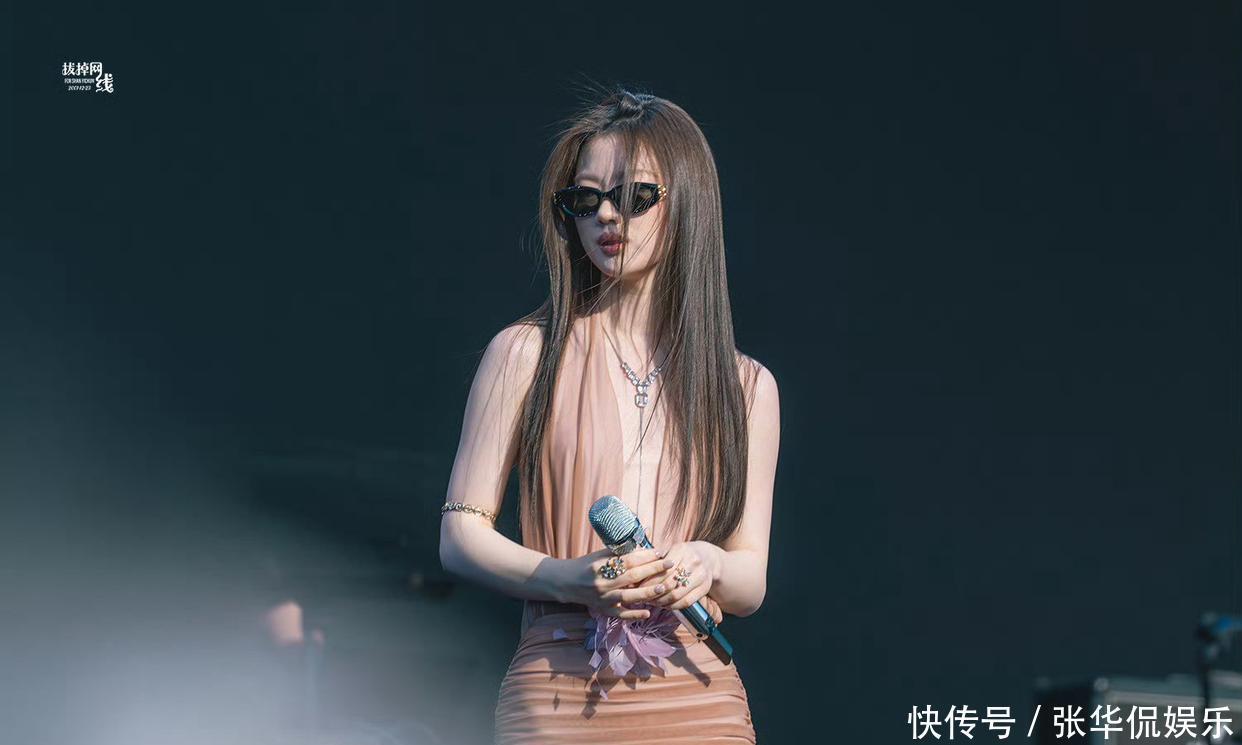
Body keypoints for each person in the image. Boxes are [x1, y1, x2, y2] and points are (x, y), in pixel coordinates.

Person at [439, 86, 781, 743]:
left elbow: (749, 580)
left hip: (696, 694)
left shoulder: (746, 387)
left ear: (687, 202)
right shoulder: (525, 354)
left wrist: (707, 563)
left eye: (634, 196)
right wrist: (569, 579)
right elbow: (459, 533)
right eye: (585, 199)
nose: (605, 215)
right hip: (560, 688)